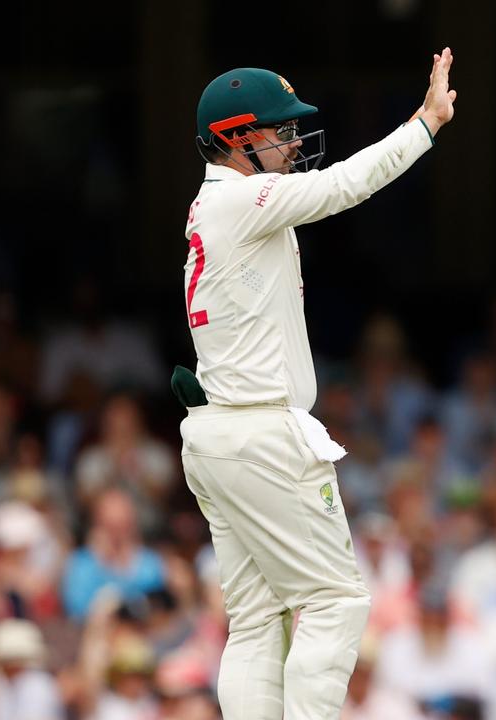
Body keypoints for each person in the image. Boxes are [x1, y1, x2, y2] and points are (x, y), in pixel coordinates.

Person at [177, 51, 457, 720]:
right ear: (238, 136)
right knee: (336, 601)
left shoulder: (217, 203)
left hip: (217, 434)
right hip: (262, 433)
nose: (295, 140)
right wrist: (426, 122)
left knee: (256, 620)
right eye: (281, 130)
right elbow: (345, 186)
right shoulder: (242, 197)